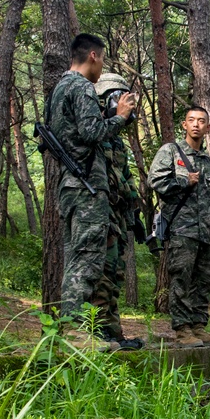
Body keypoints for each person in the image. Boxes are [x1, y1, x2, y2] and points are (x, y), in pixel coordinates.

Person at [45, 34, 136, 342]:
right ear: (93, 56)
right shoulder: (82, 86)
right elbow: (91, 131)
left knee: (76, 256)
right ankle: (73, 332)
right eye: (103, 60)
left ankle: (75, 329)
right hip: (86, 186)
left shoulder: (58, 89)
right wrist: (120, 118)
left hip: (70, 185)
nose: (101, 70)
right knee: (87, 259)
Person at [149, 107, 210, 348]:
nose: (196, 125)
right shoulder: (171, 151)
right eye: (191, 120)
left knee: (203, 280)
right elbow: (155, 181)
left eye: (202, 121)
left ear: (208, 128)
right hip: (181, 229)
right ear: (184, 125)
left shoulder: (208, 161)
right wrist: (183, 180)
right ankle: (182, 329)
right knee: (181, 278)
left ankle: (199, 326)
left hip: (205, 232)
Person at [90, 73, 145, 350]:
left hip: (119, 216)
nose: (128, 105)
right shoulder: (96, 132)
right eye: (121, 98)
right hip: (100, 214)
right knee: (100, 274)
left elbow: (125, 176)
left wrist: (136, 214)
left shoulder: (117, 141)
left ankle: (112, 333)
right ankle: (98, 333)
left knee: (114, 275)